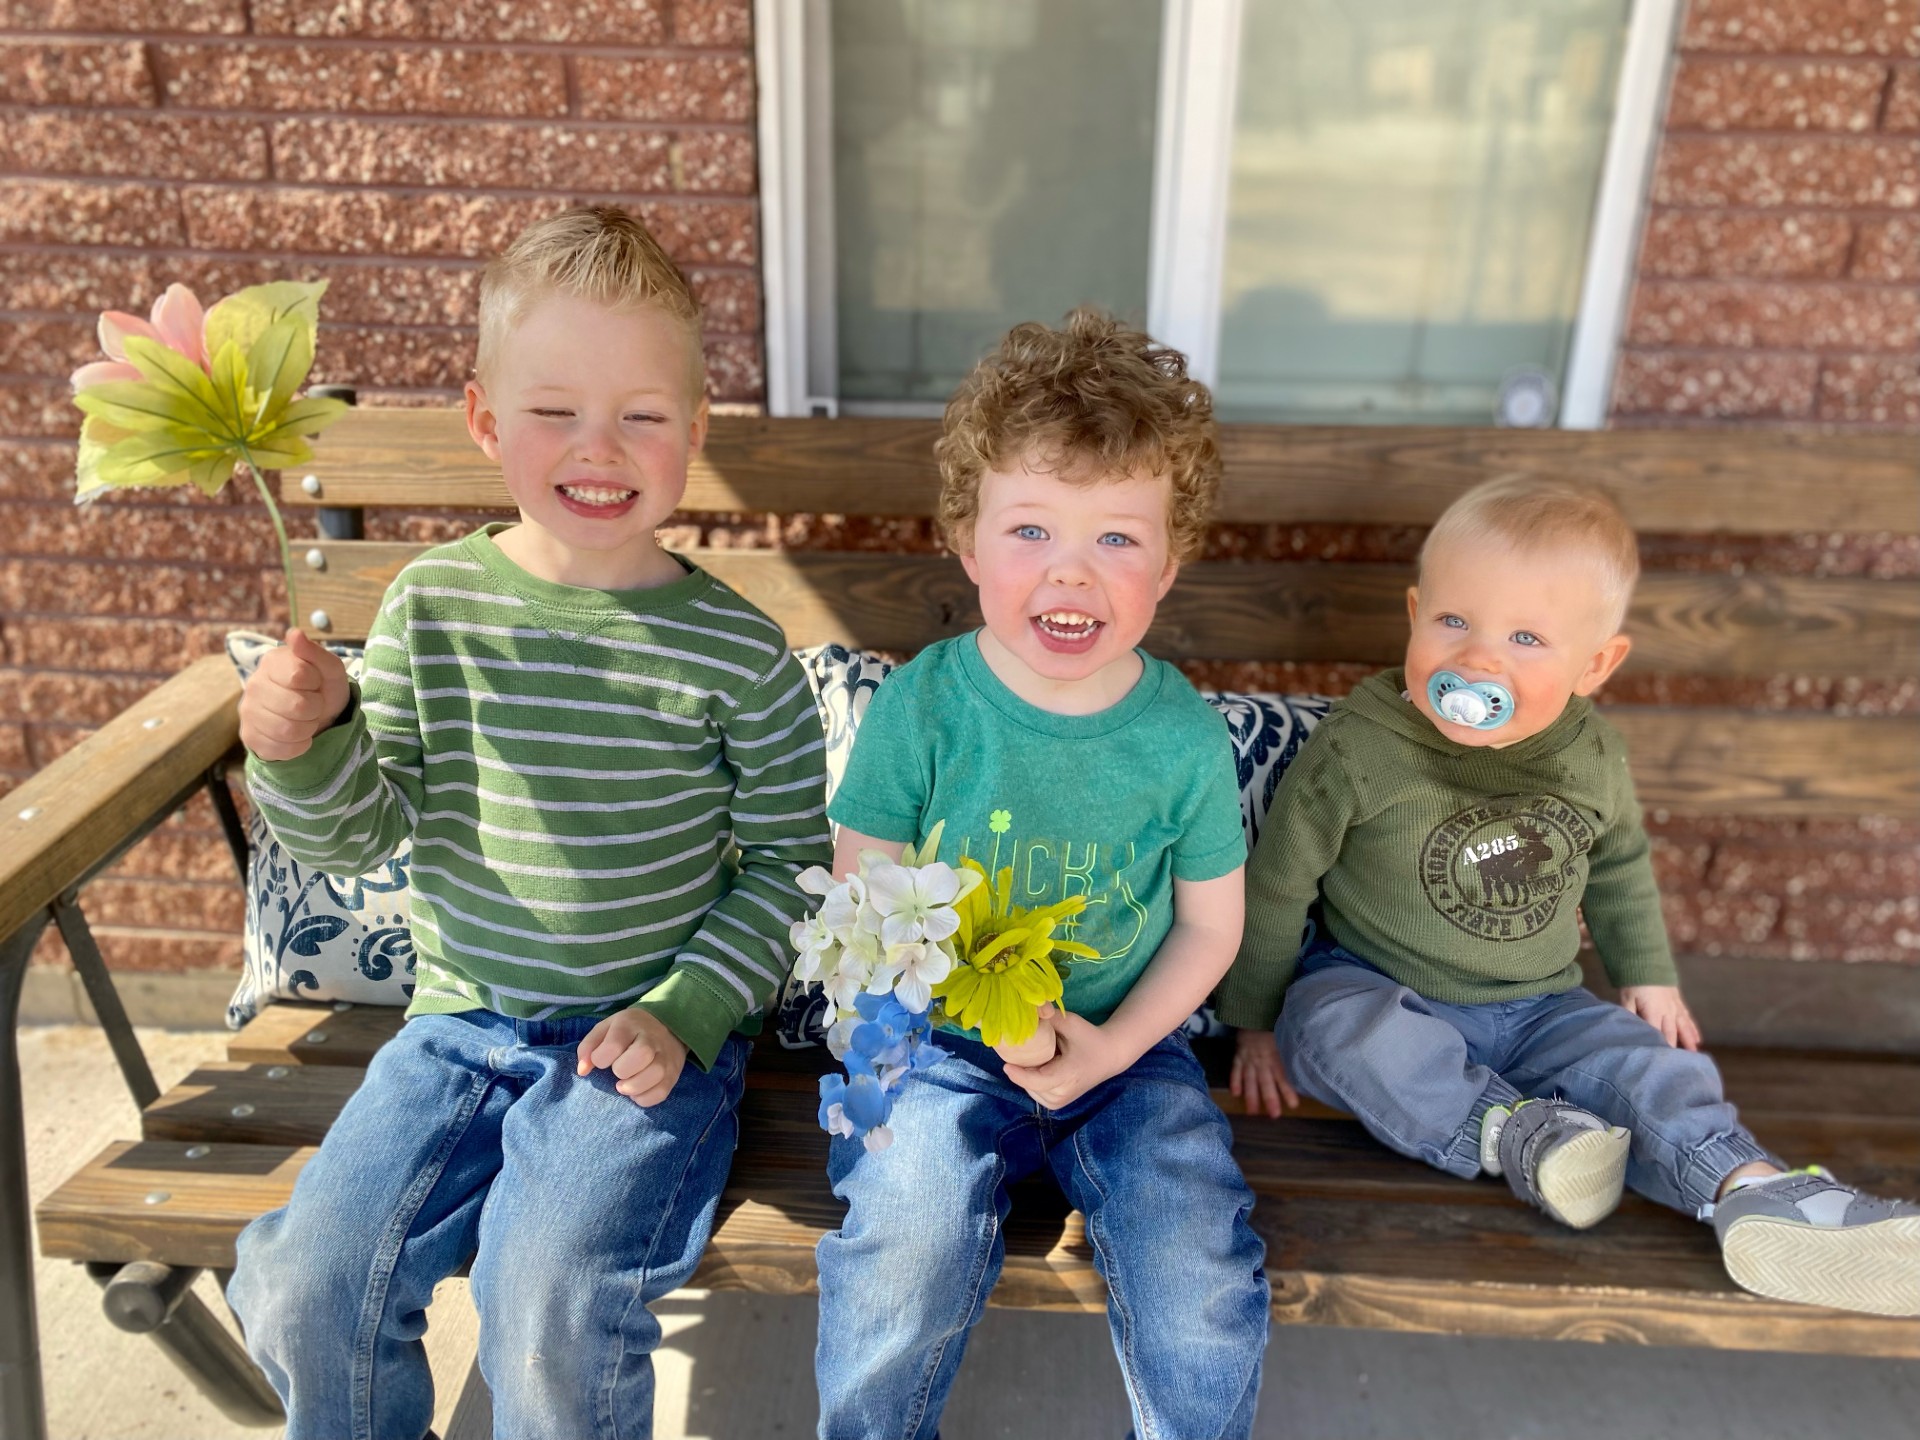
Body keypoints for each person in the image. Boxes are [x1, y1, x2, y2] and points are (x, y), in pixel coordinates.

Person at [225, 205, 833, 1439]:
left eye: (642, 415)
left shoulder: (738, 652)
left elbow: (786, 869)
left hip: (649, 1046)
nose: (597, 447)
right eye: (554, 411)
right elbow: (358, 837)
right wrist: (302, 746)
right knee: (310, 1284)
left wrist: (687, 1009)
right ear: (488, 421)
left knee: (546, 1302)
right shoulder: (432, 608)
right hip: (457, 1030)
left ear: (694, 433)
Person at [1224, 475, 1920, 1318]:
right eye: (1454, 621)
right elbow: (1276, 888)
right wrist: (1255, 1024)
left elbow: (1620, 862)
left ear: (1597, 664)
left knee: (1644, 1064)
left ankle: (1755, 1189)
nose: (1478, 660)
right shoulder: (1360, 748)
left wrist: (1647, 977)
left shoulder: (1589, 755)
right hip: (1381, 985)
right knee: (1327, 1028)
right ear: (1414, 614)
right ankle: (1521, 1134)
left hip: (1542, 1005)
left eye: (1526, 637)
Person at [815, 309, 1269, 1440]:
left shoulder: (1180, 739)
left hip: (1127, 1056)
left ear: (1168, 565)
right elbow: (866, 892)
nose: (1072, 572)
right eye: (1030, 531)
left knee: (1200, 1270)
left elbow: (1210, 929)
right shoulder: (925, 704)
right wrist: (914, 1032)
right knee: (900, 1244)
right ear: (967, 543)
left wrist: (1112, 1046)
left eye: (1117, 539)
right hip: (935, 1053)